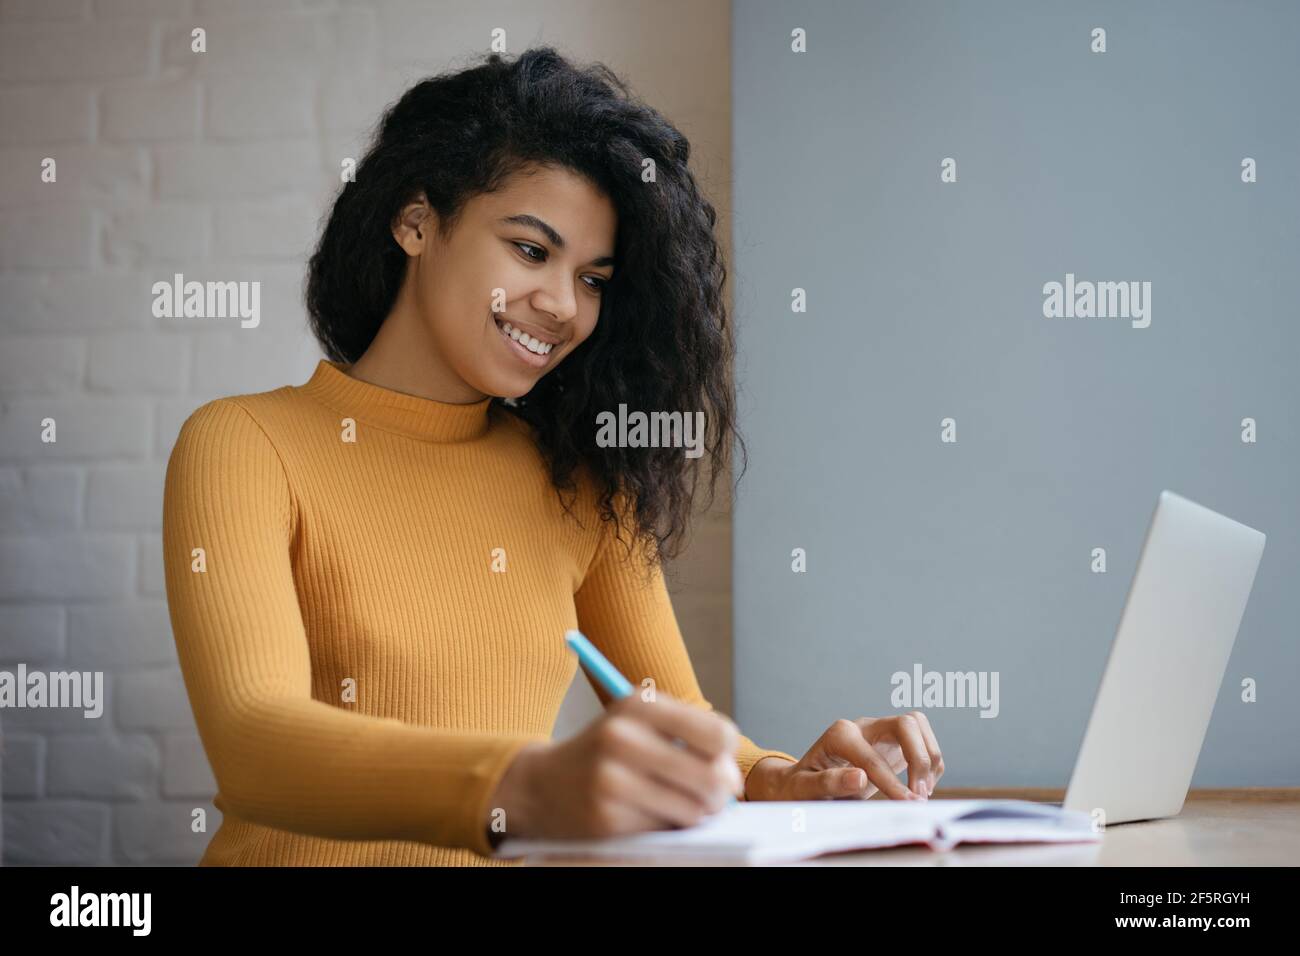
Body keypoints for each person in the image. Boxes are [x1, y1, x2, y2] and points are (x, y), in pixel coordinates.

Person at [162, 46, 943, 867]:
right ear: (416, 220)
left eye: (595, 279)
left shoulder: (579, 480)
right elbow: (254, 744)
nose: (563, 306)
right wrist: (524, 787)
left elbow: (677, 718)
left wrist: (782, 778)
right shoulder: (246, 445)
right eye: (531, 251)